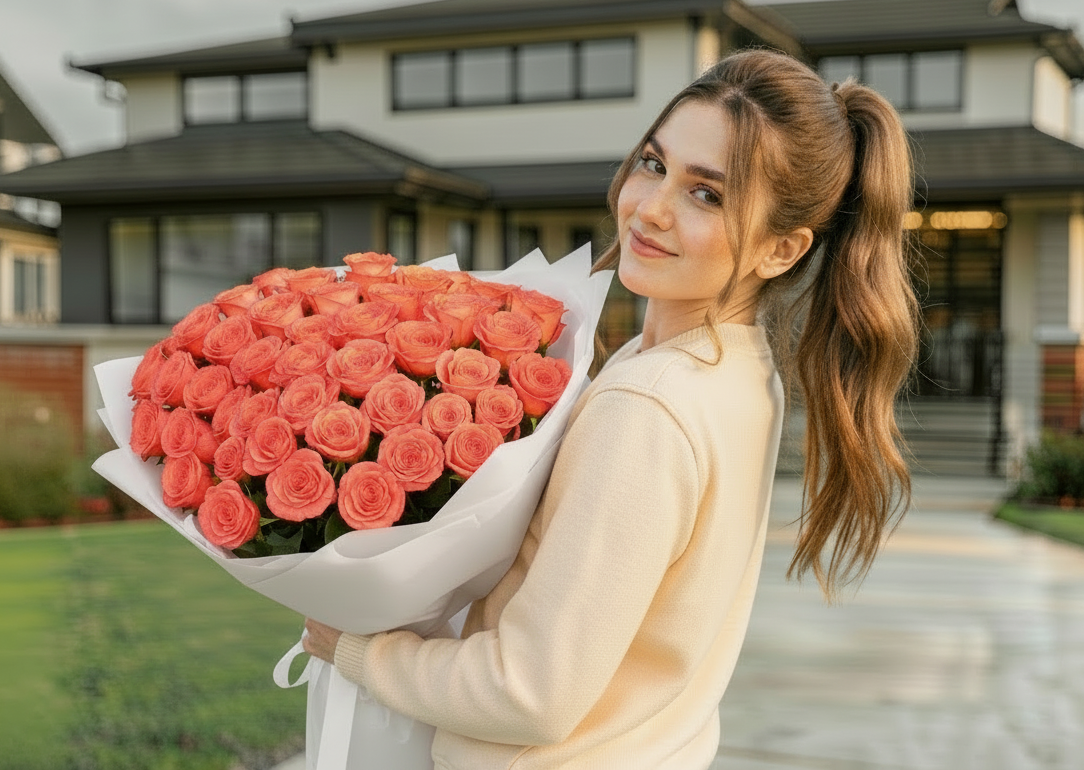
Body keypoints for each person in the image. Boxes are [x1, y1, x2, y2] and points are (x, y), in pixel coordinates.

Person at [303, 48, 918, 769]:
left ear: (781, 250)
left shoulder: (648, 407)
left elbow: (530, 693)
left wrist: (359, 650)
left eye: (707, 195)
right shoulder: (738, 370)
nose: (650, 208)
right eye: (654, 164)